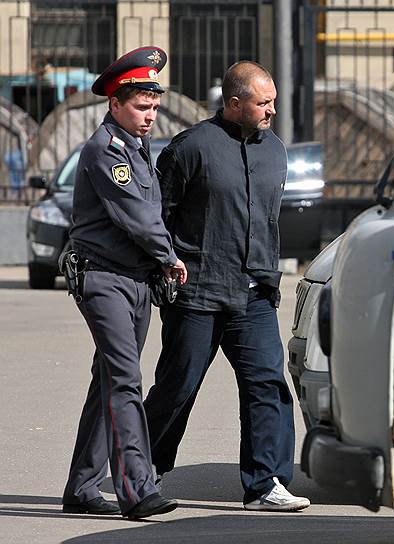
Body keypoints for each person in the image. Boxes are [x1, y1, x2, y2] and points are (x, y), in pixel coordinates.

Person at [143, 61, 310, 512]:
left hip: (254, 293)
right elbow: (160, 216)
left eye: (273, 100)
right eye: (264, 102)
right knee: (178, 386)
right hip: (198, 292)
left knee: (266, 385)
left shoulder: (274, 149)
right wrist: (164, 268)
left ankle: (266, 483)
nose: (272, 110)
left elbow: (269, 220)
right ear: (234, 104)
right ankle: (142, 471)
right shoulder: (191, 148)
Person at [61, 46, 187, 520]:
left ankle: (81, 485)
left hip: (134, 280)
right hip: (104, 279)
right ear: (115, 103)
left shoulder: (137, 147)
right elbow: (138, 218)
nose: (150, 114)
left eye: (154, 106)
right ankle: (136, 488)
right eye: (141, 105)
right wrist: (170, 257)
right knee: (125, 382)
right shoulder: (106, 150)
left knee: (109, 380)